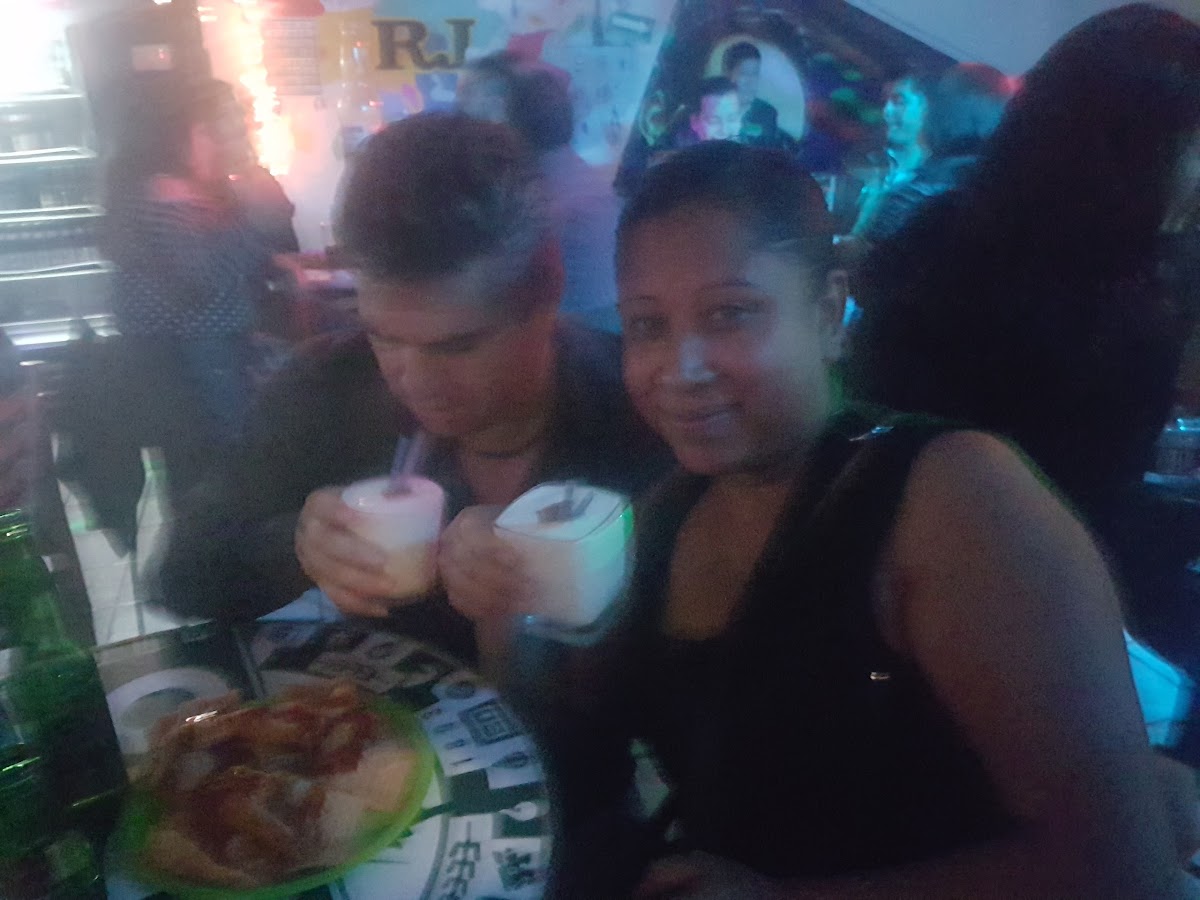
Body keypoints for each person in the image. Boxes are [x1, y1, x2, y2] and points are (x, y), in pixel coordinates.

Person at [607, 141, 1182, 897]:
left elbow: (1122, 870)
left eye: (730, 315)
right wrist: (508, 609)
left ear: (827, 313)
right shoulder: (666, 513)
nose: (680, 369)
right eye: (647, 326)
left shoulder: (953, 500)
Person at [153, 113, 670, 663]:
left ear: (547, 291)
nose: (415, 382)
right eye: (385, 336)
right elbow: (181, 574)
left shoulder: (646, 407)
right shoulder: (327, 388)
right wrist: (296, 548)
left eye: (457, 346)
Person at [848, 5, 1200, 677]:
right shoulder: (1064, 294)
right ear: (1135, 143)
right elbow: (1067, 507)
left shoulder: (958, 237)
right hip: (982, 633)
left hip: (932, 610)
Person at [457, 52, 623, 333]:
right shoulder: (572, 177)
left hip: (579, 344)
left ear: (504, 115)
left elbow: (475, 303)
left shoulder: (544, 205)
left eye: (477, 102)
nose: (464, 115)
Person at [861, 63, 1016, 245]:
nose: (887, 111)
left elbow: (870, 251)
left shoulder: (925, 189)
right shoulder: (997, 187)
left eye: (900, 101)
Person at [849, 71, 935, 238]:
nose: (887, 111)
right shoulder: (864, 166)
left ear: (926, 109)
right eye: (885, 102)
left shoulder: (934, 182)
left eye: (899, 102)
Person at [720, 41, 780, 148]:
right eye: (744, 74)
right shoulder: (713, 110)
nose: (751, 81)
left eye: (755, 73)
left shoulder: (768, 113)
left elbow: (770, 152)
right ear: (728, 74)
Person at [672, 77, 742, 147]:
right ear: (694, 122)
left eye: (732, 119)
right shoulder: (679, 151)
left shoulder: (746, 148)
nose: (724, 131)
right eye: (714, 121)